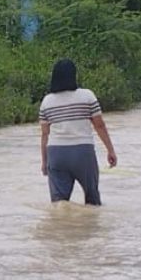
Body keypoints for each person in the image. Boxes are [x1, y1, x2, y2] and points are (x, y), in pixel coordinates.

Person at [39, 59, 117, 205]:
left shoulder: (47, 101)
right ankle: (91, 226)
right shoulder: (87, 96)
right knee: (92, 199)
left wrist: (44, 161)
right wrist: (110, 150)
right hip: (83, 152)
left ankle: (61, 228)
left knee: (59, 203)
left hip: (56, 153)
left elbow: (45, 135)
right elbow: (99, 126)